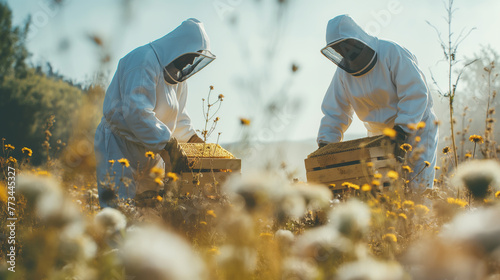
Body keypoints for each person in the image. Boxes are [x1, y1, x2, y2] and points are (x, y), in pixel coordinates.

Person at [94, 18, 215, 207]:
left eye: (194, 59)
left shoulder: (179, 80)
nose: (189, 63)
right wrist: (168, 145)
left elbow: (179, 118)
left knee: (151, 211)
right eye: (190, 57)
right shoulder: (142, 60)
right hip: (119, 146)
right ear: (179, 47)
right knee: (119, 210)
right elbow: (137, 113)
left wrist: (193, 141)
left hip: (153, 152)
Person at [317, 15, 438, 190]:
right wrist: (325, 144)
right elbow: (335, 112)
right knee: (382, 192)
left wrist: (402, 129)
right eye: (339, 49)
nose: (345, 52)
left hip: (416, 128)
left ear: (358, 38)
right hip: (378, 137)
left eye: (347, 45)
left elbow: (415, 92)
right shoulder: (343, 74)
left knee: (418, 186)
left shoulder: (391, 52)